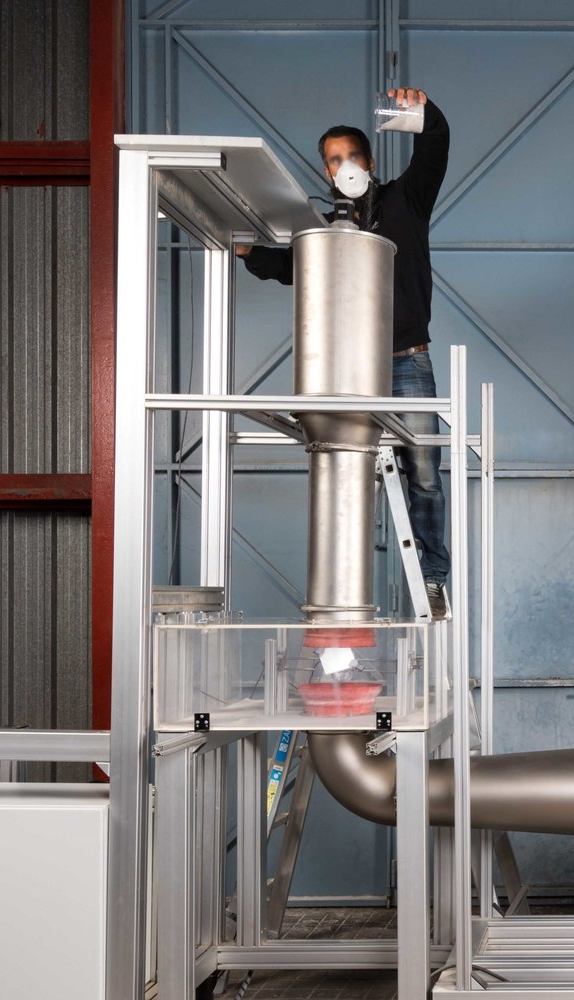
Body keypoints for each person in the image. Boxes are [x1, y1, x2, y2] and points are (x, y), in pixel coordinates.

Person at [237, 88, 451, 618]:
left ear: (369, 162)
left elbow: (436, 145)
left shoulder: (407, 200)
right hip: (349, 365)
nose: (343, 167)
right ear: (327, 172)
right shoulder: (327, 228)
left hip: (406, 360)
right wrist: (250, 253)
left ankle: (432, 578)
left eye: (351, 156)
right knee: (341, 466)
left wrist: (422, 111)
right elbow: (296, 267)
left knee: (423, 469)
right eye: (333, 161)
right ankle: (342, 591)